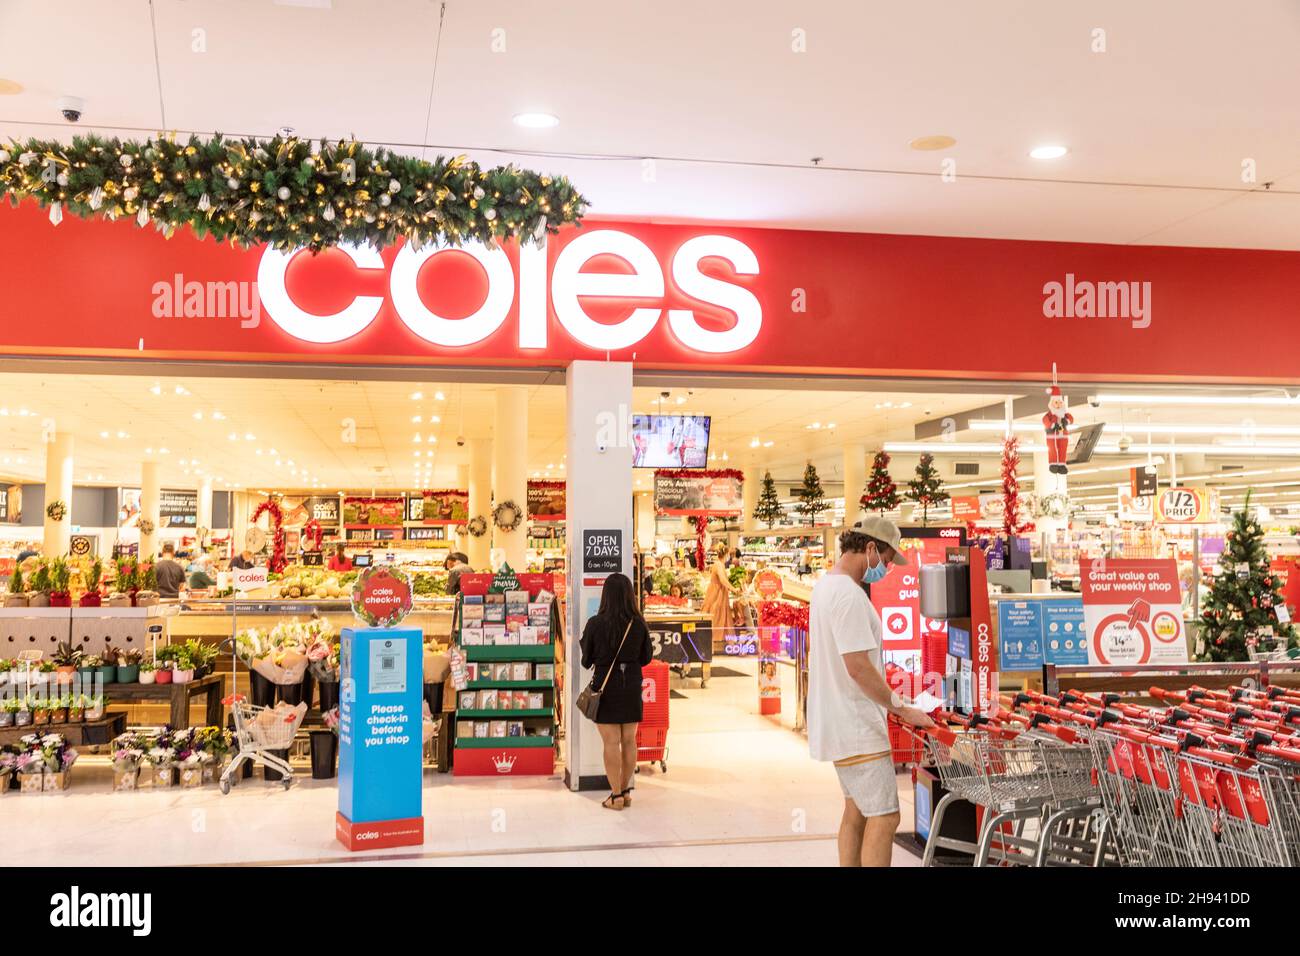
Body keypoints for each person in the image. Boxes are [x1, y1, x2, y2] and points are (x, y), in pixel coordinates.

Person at [808, 516, 934, 868]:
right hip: (857, 727)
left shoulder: (826, 586)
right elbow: (858, 667)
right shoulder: (848, 595)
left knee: (857, 812)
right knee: (886, 816)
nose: (889, 567)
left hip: (839, 723)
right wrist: (902, 708)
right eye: (889, 558)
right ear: (869, 548)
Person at [579, 572, 653, 811]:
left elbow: (586, 660)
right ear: (629, 596)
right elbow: (646, 658)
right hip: (631, 684)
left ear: (606, 596)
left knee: (611, 742)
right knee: (629, 741)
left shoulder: (595, 624)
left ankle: (615, 795)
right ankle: (626, 791)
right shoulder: (638, 623)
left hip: (605, 686)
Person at [701, 542, 736, 639]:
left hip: (717, 592)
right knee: (716, 616)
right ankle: (714, 640)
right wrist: (733, 589)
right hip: (717, 594)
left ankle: (719, 640)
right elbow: (722, 580)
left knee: (719, 615)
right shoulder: (719, 565)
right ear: (726, 554)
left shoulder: (719, 564)